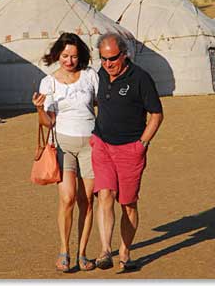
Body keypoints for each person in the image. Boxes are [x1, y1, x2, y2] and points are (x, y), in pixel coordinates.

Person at [90, 32, 163, 272]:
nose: (108, 64)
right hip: (102, 144)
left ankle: (125, 252)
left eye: (112, 58)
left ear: (124, 54)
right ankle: (104, 251)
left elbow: (156, 114)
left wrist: (142, 144)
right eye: (103, 59)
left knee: (128, 203)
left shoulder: (141, 78)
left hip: (130, 149)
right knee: (105, 194)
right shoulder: (100, 73)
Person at [32, 32, 98, 272]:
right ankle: (64, 251)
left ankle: (82, 253)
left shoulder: (90, 76)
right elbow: (47, 122)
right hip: (63, 144)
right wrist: (39, 109)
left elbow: (102, 104)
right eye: (65, 56)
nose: (69, 61)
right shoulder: (48, 82)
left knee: (87, 200)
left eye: (74, 56)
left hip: (91, 144)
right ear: (57, 54)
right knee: (68, 197)